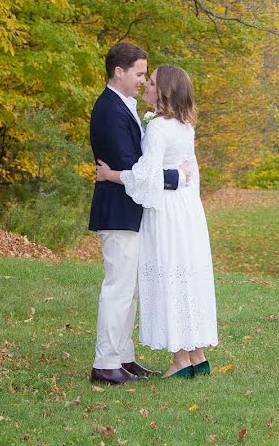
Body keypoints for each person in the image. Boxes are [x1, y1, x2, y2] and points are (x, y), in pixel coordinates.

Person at [96, 64, 218, 378]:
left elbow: (146, 177)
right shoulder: (185, 127)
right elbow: (190, 174)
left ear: (163, 91)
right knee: (186, 275)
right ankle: (197, 355)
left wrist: (111, 174)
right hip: (187, 210)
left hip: (165, 212)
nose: (146, 86)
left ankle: (180, 360)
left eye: (151, 82)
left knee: (169, 277)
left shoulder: (160, 128)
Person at [88, 42, 186, 385]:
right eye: (140, 74)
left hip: (130, 211)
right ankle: (105, 363)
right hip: (117, 211)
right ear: (120, 72)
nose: (144, 82)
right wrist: (175, 177)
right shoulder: (108, 110)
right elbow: (131, 168)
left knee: (129, 288)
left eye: (146, 76)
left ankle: (123, 357)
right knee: (118, 286)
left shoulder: (124, 105)